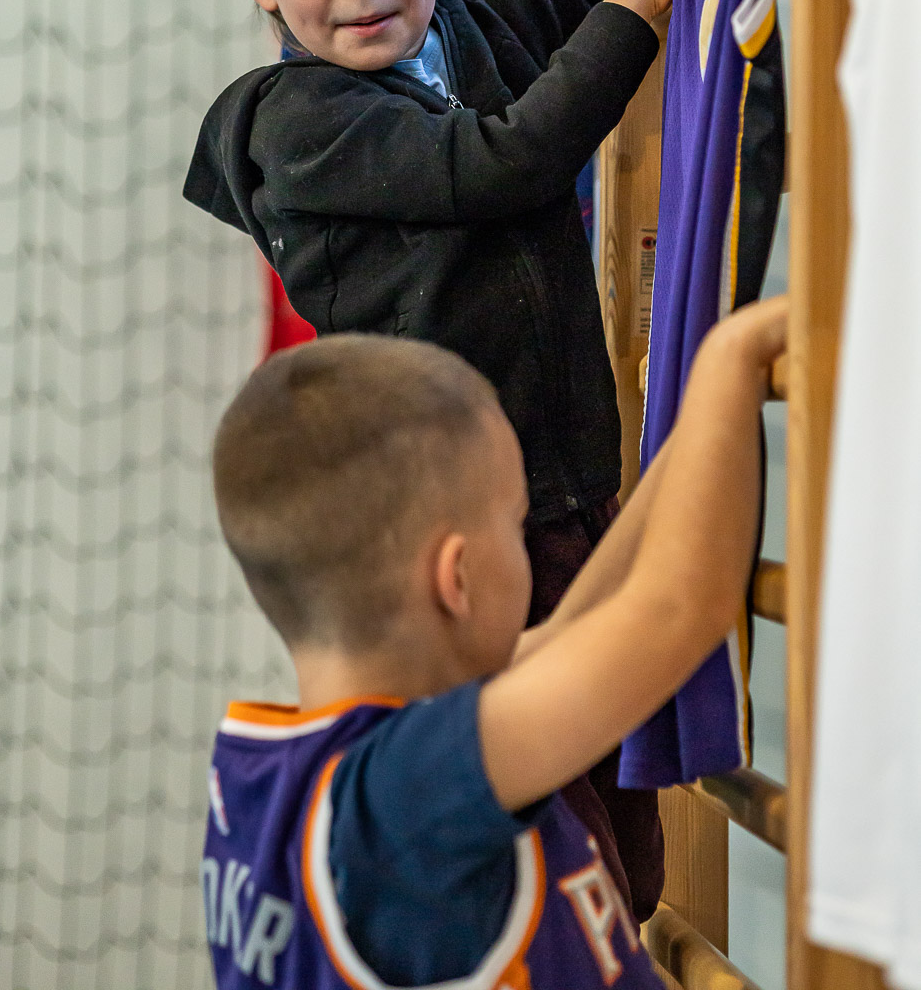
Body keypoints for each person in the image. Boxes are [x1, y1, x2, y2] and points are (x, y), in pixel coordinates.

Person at [185, 0, 693, 918]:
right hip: (454, 539)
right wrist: (643, 8)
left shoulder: (472, 27)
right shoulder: (299, 124)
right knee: (553, 841)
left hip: (564, 495)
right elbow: (504, 163)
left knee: (632, 848)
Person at [203, 296, 787, 987]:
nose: (523, 541)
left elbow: (574, 625)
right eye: (515, 524)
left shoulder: (291, 777)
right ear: (457, 578)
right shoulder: (408, 794)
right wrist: (730, 358)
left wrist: (690, 432)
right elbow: (676, 614)